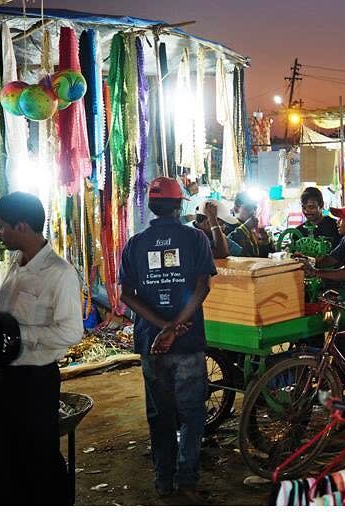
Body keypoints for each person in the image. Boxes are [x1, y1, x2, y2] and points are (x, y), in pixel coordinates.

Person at [119, 177, 217, 502]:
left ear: (150, 206)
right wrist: (176, 326)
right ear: (179, 206)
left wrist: (163, 327)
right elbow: (203, 287)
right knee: (191, 414)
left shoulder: (134, 244)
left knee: (160, 415)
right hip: (186, 342)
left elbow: (128, 296)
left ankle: (163, 482)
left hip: (152, 342)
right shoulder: (196, 238)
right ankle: (186, 481)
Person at [0, 192, 83, 505]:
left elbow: (71, 331)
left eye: (1, 226)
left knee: (37, 465)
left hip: (35, 383)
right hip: (4, 381)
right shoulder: (16, 265)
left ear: (22, 226)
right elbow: (3, 313)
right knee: (2, 464)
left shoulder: (61, 274)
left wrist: (15, 334)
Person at [226, 191, 273, 257]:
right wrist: (245, 227)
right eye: (248, 208)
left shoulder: (253, 230)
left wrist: (266, 242)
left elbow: (264, 257)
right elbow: (230, 248)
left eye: (255, 208)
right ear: (236, 209)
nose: (253, 212)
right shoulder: (227, 226)